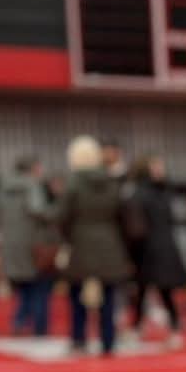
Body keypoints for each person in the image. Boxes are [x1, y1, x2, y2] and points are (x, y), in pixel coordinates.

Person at [59, 135, 132, 355]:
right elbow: (123, 215)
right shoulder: (111, 182)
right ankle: (108, 340)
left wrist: (68, 238)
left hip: (80, 243)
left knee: (76, 293)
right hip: (110, 243)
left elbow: (62, 216)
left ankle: (78, 338)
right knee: (108, 294)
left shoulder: (72, 183)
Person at [123, 157, 186, 347]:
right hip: (148, 247)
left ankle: (166, 326)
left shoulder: (159, 191)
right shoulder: (143, 194)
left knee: (160, 290)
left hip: (157, 246)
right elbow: (135, 226)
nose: (161, 170)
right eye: (156, 167)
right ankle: (141, 326)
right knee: (145, 290)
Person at [0, 153, 57, 337]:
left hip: (10, 243)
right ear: (32, 168)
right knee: (40, 286)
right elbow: (38, 210)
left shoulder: (3, 186)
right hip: (33, 244)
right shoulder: (32, 185)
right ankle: (39, 328)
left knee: (23, 287)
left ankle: (19, 322)